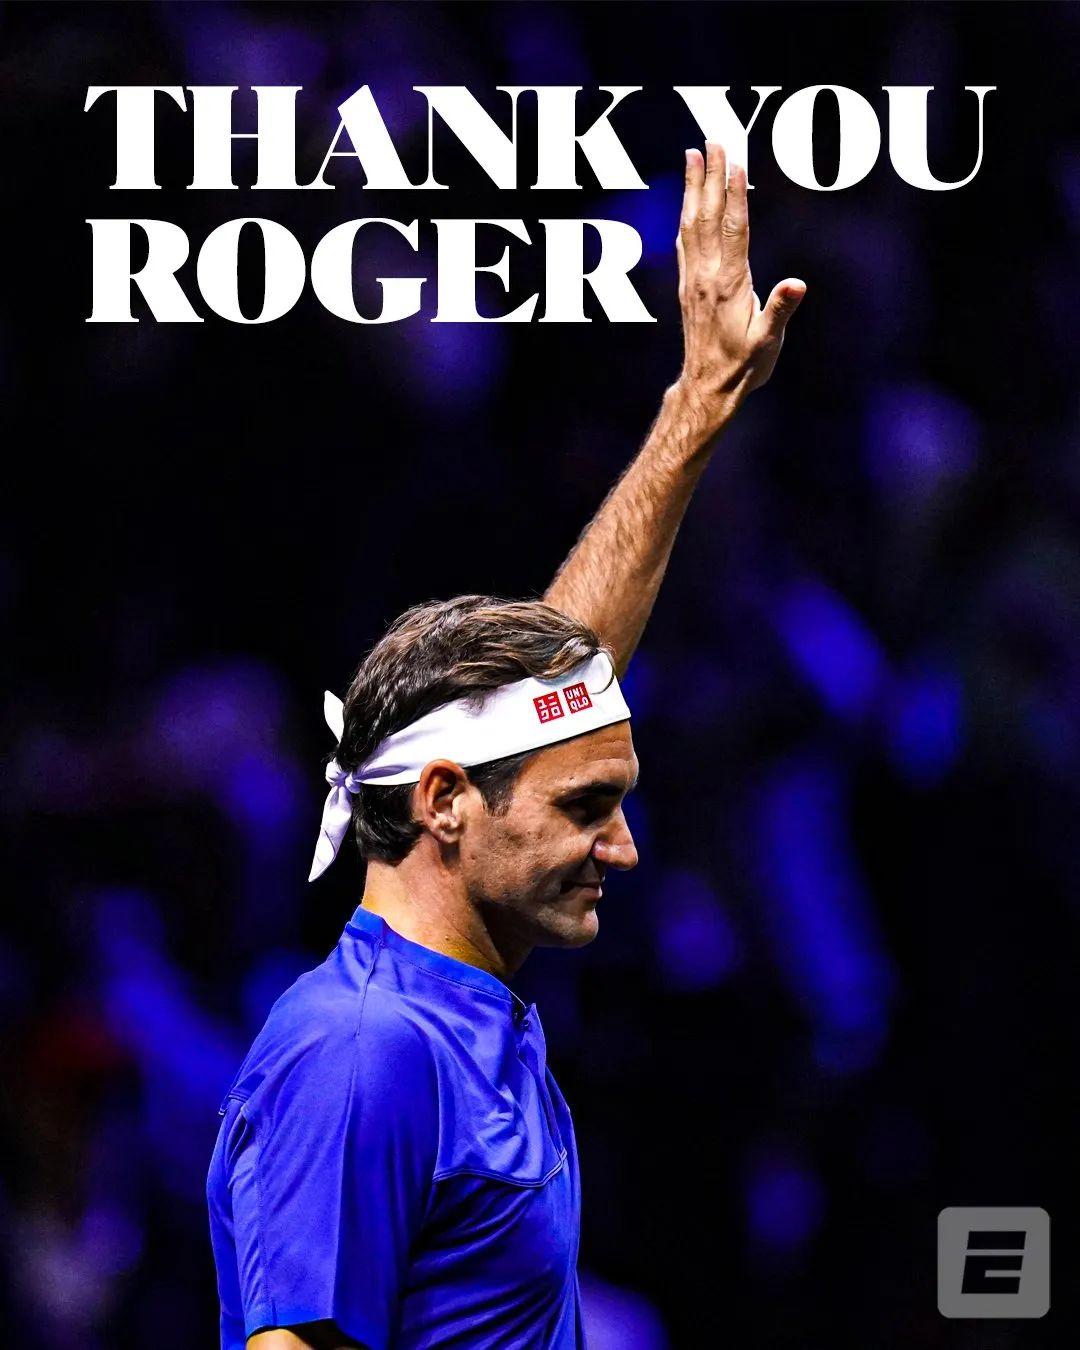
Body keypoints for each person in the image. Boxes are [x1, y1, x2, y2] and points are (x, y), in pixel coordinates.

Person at [206, 144, 806, 1350]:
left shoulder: (456, 1015)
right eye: (587, 811)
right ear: (441, 805)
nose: (622, 849)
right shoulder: (363, 1056)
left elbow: (560, 694)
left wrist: (696, 409)